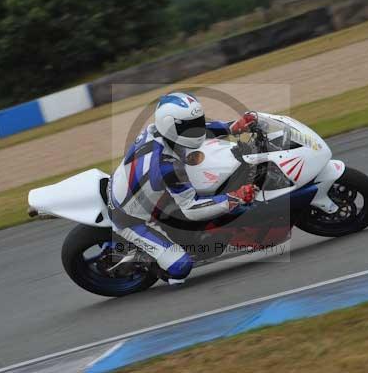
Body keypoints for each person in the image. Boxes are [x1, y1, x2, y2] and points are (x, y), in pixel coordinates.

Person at [108, 92, 258, 284]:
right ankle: (141, 257)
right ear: (171, 126)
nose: (195, 129)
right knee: (180, 267)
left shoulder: (157, 130)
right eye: (189, 126)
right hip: (130, 218)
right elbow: (191, 209)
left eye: (195, 122)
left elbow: (201, 130)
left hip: (135, 188)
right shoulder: (166, 166)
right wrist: (234, 197)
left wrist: (231, 127)